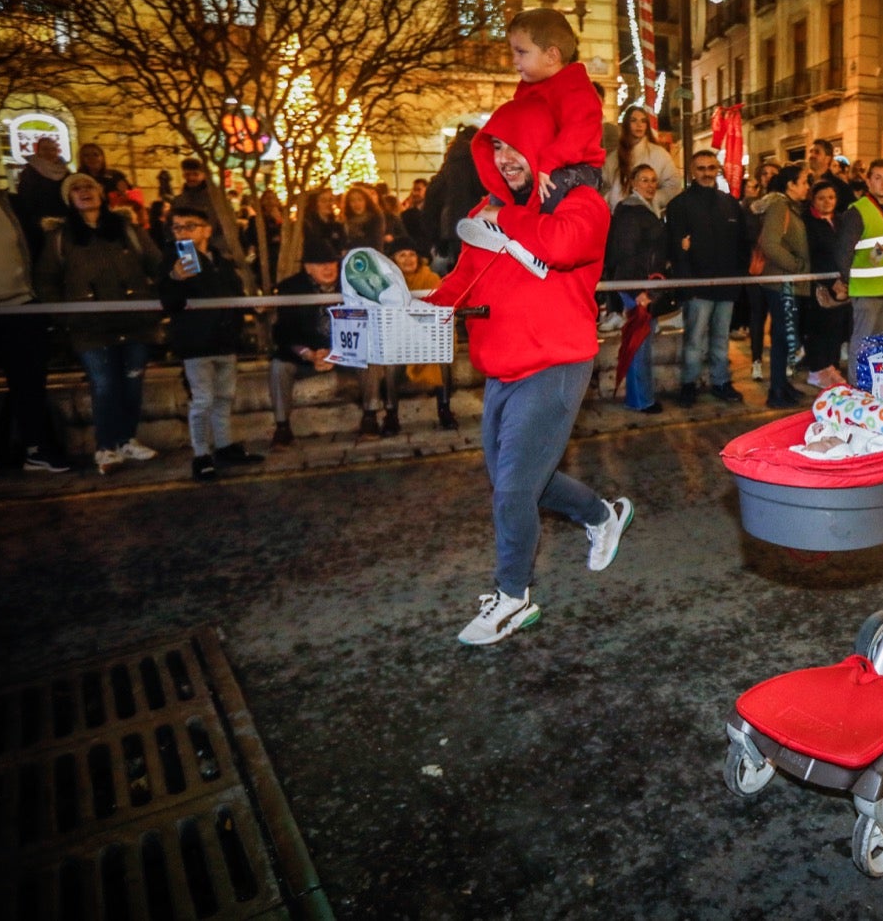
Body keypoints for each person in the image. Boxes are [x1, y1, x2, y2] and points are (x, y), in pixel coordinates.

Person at [423, 96, 630, 646]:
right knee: (517, 483)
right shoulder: (484, 211)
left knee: (513, 490)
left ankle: (513, 597)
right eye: (498, 146)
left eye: (518, 146)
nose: (508, 157)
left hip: (557, 363)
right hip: (502, 367)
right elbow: (460, 281)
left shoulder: (581, 202)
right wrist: (409, 312)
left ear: (544, 148)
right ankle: (601, 514)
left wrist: (504, 217)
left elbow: (562, 246)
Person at [34, 173, 163, 475]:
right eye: (75, 189)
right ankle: (106, 446)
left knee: (132, 382)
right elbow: (46, 280)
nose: (83, 192)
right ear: (68, 199)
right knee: (104, 384)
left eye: (88, 186)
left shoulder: (127, 229)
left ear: (101, 193)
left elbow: (156, 264)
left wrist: (153, 301)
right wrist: (65, 315)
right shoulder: (59, 238)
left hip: (135, 322)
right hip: (90, 326)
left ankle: (126, 438)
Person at [157, 206, 264, 480]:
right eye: (177, 227)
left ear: (206, 229)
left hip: (224, 338)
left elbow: (233, 294)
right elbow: (169, 301)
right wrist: (175, 279)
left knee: (224, 397)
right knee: (202, 399)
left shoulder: (220, 260)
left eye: (189, 226)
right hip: (196, 341)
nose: (182, 232)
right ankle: (201, 454)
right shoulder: (173, 259)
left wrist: (250, 311)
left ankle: (224, 445)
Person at [267, 241, 381, 446]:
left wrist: (338, 351)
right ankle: (282, 427)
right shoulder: (291, 288)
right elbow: (283, 332)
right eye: (321, 264)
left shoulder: (353, 284)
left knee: (371, 357)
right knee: (278, 366)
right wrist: (308, 354)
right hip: (308, 353)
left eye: (332, 263)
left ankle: (370, 416)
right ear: (308, 268)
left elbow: (366, 325)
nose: (328, 268)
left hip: (345, 349)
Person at [0, 187, 70, 472]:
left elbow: (35, 245)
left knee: (29, 384)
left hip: (21, 306)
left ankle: (36, 449)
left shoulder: (9, 203)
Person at [667, 151, 749, 406]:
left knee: (721, 338)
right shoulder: (679, 205)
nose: (706, 172)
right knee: (694, 340)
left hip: (726, 286)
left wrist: (737, 280)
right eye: (701, 168)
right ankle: (688, 384)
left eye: (711, 167)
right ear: (692, 171)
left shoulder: (730, 203)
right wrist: (686, 286)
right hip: (697, 288)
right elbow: (674, 249)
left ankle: (721, 381)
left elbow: (742, 244)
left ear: (718, 170)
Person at [507, 8, 607, 208]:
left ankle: (535, 230)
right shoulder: (528, 88)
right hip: (542, 165)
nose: (515, 60)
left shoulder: (576, 91)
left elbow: (575, 135)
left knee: (552, 186)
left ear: (552, 55)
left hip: (580, 169)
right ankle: (496, 222)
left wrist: (548, 162)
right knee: (507, 184)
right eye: (513, 52)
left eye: (521, 52)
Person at [604, 164, 669, 414]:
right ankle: (641, 399)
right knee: (640, 344)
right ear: (632, 183)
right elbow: (626, 253)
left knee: (638, 341)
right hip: (637, 287)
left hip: (641, 284)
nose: (650, 185)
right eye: (644, 180)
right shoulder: (632, 212)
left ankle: (638, 396)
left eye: (653, 180)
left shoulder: (640, 209)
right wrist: (637, 292)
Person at [833, 159, 883, 381]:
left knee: (882, 346)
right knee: (862, 343)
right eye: (878, 178)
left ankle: (877, 386)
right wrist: (850, 280)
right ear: (868, 181)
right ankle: (856, 387)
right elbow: (843, 252)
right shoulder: (857, 211)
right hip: (867, 292)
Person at [385, 238, 457, 431]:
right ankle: (391, 414)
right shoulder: (387, 282)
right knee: (390, 361)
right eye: (402, 255)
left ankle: (444, 410)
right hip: (398, 339)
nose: (408, 259)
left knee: (443, 355)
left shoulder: (431, 278)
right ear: (393, 260)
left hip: (427, 337)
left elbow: (441, 311)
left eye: (412, 255)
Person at [755, 164, 811, 408]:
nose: (807, 187)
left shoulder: (790, 207)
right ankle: (776, 390)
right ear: (791, 185)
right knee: (782, 335)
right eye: (804, 182)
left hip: (788, 282)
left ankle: (782, 384)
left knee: (783, 337)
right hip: (783, 283)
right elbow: (769, 242)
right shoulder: (780, 206)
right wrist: (795, 265)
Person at [801, 178, 849, 389]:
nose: (827, 202)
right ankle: (817, 369)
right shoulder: (807, 222)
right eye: (821, 198)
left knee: (837, 328)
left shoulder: (841, 221)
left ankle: (832, 367)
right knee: (820, 328)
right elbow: (812, 255)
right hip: (819, 284)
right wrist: (831, 282)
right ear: (813, 199)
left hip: (843, 283)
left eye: (831, 197)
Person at [422, 126, 485, 273]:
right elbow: (482, 187)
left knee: (459, 270)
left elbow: (432, 198)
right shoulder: (473, 161)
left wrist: (436, 236)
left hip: (451, 227)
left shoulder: (448, 165)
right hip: (474, 223)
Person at [602, 105, 681, 211]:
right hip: (618, 216)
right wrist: (612, 197)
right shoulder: (614, 157)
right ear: (626, 124)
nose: (639, 125)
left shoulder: (659, 154)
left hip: (646, 215)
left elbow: (674, 185)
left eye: (643, 121)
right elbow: (604, 185)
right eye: (634, 120)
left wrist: (653, 198)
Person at [12, 137, 70, 255]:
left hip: (64, 222)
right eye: (45, 149)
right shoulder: (30, 172)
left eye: (53, 149)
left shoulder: (65, 171)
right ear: (38, 151)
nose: (49, 152)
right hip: (39, 224)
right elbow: (25, 201)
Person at [342, 184, 386, 252]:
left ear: (366, 201)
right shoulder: (345, 221)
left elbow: (376, 242)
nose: (357, 204)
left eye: (360, 200)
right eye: (352, 201)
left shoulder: (375, 218)